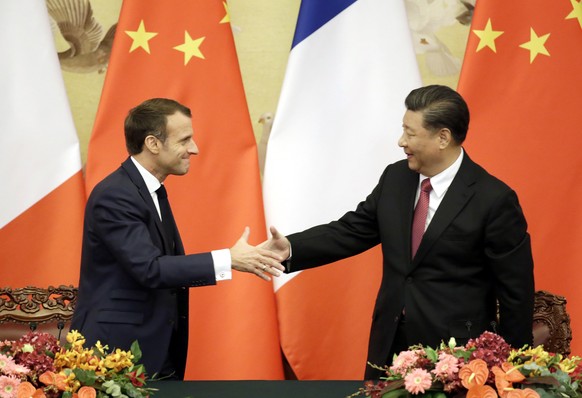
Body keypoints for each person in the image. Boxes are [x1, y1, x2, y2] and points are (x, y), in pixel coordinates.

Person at [262, 85, 535, 379]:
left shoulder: (493, 199)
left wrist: (512, 368)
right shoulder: (396, 178)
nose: (401, 141)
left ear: (443, 137)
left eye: (410, 133)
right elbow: (352, 230)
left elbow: (515, 292)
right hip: (389, 341)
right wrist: (290, 248)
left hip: (455, 355)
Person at [71, 98, 284, 380]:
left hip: (155, 348)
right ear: (153, 143)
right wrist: (228, 259)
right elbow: (150, 269)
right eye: (185, 140)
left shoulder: (150, 190)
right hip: (115, 353)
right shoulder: (116, 195)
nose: (194, 149)